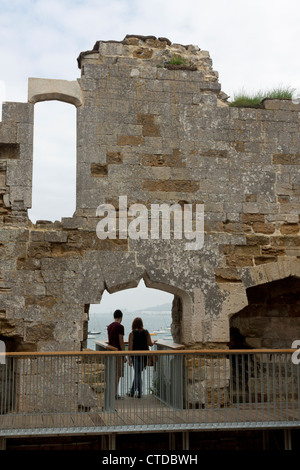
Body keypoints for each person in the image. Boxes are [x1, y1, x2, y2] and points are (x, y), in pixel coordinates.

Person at [128, 317, 156, 398]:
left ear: (133, 324)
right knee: (138, 374)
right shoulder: (146, 332)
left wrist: (129, 359)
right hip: (144, 357)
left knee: (137, 374)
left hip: (135, 357)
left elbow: (130, 348)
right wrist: (154, 342)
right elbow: (150, 344)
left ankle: (137, 393)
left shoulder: (132, 333)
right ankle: (134, 392)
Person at [107, 309, 126, 399]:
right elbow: (121, 341)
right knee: (117, 374)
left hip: (110, 352)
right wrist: (124, 355)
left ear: (114, 317)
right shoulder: (120, 327)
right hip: (117, 353)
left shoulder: (109, 326)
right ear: (121, 317)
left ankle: (111, 393)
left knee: (112, 373)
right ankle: (115, 394)